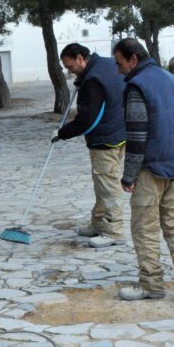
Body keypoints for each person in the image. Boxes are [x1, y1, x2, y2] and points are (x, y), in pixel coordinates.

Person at [111, 37, 174, 302]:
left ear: (133, 59)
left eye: (120, 64)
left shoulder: (136, 87)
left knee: (144, 228)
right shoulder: (172, 80)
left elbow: (137, 135)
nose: (119, 71)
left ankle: (151, 284)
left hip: (151, 168)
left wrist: (129, 175)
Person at [53, 43, 127, 249]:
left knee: (108, 186)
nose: (69, 71)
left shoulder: (92, 80)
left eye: (70, 67)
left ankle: (113, 231)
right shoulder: (107, 64)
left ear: (80, 58)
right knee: (101, 183)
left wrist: (61, 133)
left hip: (104, 139)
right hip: (119, 132)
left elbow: (86, 120)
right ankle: (98, 224)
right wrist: (81, 78)